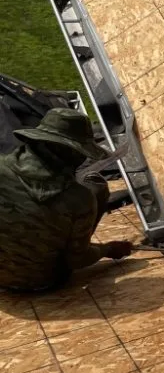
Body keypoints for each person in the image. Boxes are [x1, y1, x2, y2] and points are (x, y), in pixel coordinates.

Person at [0, 108, 133, 292]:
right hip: (41, 281)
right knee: (97, 186)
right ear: (73, 154)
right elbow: (77, 260)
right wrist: (108, 249)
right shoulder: (79, 200)